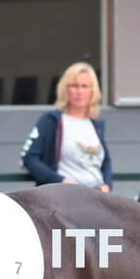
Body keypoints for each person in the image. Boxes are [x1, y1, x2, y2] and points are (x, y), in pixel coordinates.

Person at [20, 61, 113, 193]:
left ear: (93, 91)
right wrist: (60, 181)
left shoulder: (96, 125)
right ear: (65, 89)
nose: (79, 91)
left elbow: (106, 162)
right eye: (74, 86)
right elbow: (30, 158)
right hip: (64, 197)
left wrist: (107, 185)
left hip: (97, 197)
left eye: (85, 86)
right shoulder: (51, 120)